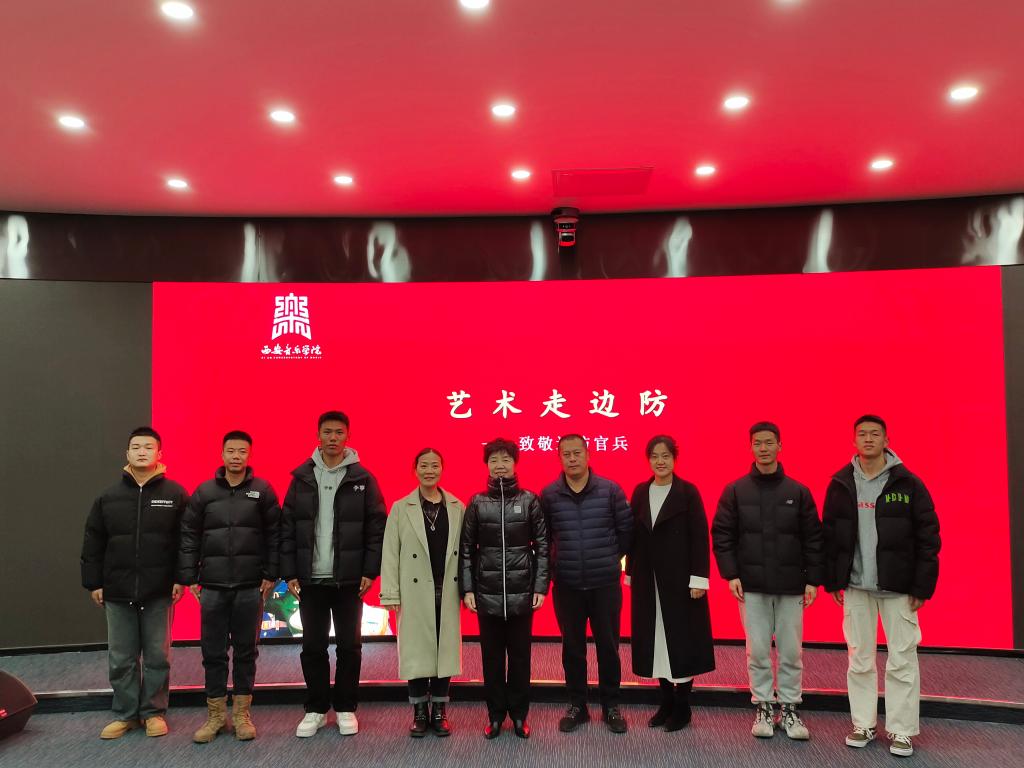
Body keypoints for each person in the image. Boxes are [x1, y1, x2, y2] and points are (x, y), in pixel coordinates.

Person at [823, 415, 940, 758]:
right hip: (856, 586)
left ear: (887, 440)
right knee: (859, 658)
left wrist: (921, 585)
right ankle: (863, 724)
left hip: (898, 587)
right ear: (854, 441)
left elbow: (928, 536)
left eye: (875, 434)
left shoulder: (908, 483)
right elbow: (829, 534)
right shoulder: (841, 483)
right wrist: (833, 578)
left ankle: (901, 730)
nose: (869, 439)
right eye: (862, 434)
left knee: (902, 659)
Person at [711, 421, 823, 741]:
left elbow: (813, 538)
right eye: (757, 443)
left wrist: (813, 580)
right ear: (750, 448)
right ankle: (762, 705)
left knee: (791, 652)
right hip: (751, 585)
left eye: (769, 442)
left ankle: (789, 708)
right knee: (758, 650)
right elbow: (722, 534)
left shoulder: (798, 491)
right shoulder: (735, 490)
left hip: (791, 585)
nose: (763, 448)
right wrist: (731, 573)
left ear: (780, 446)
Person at [280, 411, 387, 738]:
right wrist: (290, 572)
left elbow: (377, 528)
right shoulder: (301, 478)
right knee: (312, 646)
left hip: (349, 580)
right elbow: (287, 528)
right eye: (327, 432)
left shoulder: (362, 479)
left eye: (339, 432)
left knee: (349, 647)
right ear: (318, 435)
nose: (333, 438)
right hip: (310, 580)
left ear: (347, 436)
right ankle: (315, 708)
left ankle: (345, 707)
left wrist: (370, 570)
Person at [80, 426, 189, 739]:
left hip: (159, 589)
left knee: (158, 656)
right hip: (117, 590)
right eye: (136, 447)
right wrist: (94, 583)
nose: (142, 452)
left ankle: (153, 713)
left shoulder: (175, 494)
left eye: (148, 447)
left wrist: (182, 578)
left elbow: (185, 541)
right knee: (121, 657)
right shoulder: (108, 497)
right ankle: (126, 714)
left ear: (159, 454)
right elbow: (93, 542)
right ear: (127, 453)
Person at [178, 430, 281, 743]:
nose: (236, 456)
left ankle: (241, 715)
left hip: (250, 587)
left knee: (247, 652)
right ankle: (215, 716)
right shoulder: (204, 492)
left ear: (249, 455)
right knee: (213, 652)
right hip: (212, 586)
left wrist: (271, 573)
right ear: (222, 454)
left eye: (242, 451)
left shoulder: (262, 490)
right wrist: (190, 577)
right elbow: (189, 534)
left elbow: (275, 534)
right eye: (231, 451)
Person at [540, 434, 633, 734]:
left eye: (577, 453)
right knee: (572, 649)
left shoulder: (610, 490)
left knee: (609, 647)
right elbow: (544, 539)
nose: (572, 458)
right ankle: (577, 705)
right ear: (559, 458)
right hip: (567, 585)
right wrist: (554, 569)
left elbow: (626, 532)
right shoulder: (549, 495)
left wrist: (609, 559)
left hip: (604, 584)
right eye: (566, 454)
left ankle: (611, 706)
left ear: (588, 454)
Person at [460, 438, 549, 740]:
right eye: (494, 460)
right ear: (486, 465)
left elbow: (543, 546)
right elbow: (466, 549)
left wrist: (540, 586)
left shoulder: (529, 500)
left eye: (506, 459)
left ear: (515, 463)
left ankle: (520, 715)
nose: (500, 465)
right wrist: (468, 589)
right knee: (492, 659)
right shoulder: (476, 502)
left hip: (522, 593)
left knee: (521, 658)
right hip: (486, 594)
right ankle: (496, 716)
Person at [626, 435, 715, 732]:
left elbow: (700, 537)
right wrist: (630, 571)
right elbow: (633, 535)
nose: (660, 461)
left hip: (680, 581)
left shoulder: (688, 492)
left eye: (665, 456)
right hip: (648, 581)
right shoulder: (641, 491)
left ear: (675, 459)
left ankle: (683, 705)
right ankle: (665, 701)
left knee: (682, 641)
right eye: (654, 456)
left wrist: (699, 578)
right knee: (656, 643)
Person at [379, 448, 466, 738]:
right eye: (424, 466)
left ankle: (439, 710)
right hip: (413, 591)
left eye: (435, 466)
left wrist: (468, 590)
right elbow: (390, 553)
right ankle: (418, 711)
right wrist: (390, 593)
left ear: (442, 469)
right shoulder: (400, 508)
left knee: (444, 650)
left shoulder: (457, 506)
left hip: (447, 588)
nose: (429, 471)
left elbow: (466, 553)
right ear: (414, 470)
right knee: (416, 651)